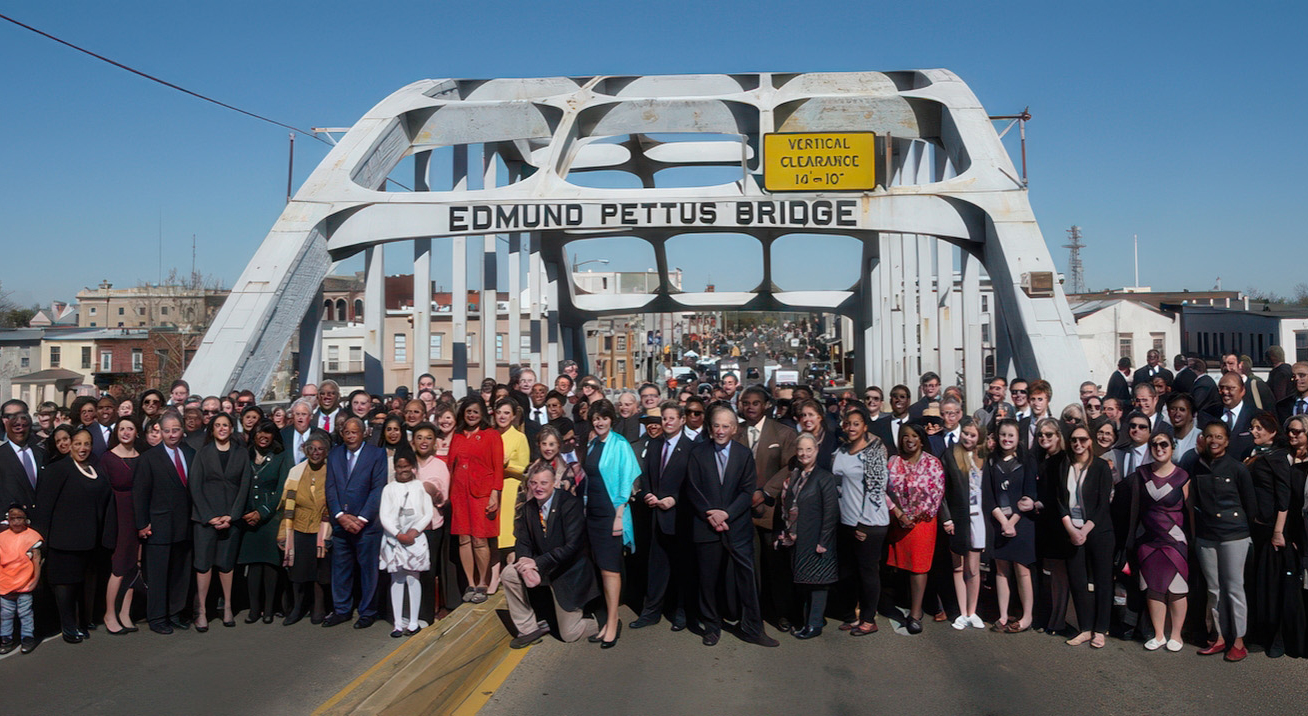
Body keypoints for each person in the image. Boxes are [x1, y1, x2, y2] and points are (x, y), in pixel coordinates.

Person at [686, 404, 778, 647]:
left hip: (737, 526)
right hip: (706, 527)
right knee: (708, 580)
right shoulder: (697, 452)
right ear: (710, 427)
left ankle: (752, 627)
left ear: (735, 429)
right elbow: (692, 489)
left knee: (747, 578)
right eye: (716, 425)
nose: (720, 431)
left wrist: (725, 514)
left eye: (726, 426)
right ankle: (712, 626)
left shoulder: (743, 454)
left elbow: (747, 490)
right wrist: (711, 515)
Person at [503, 462, 601, 649]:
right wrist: (524, 560)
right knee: (509, 574)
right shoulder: (528, 508)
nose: (538, 488)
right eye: (533, 483)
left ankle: (601, 622)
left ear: (554, 482)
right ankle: (529, 628)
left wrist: (536, 563)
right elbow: (522, 540)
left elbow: (571, 547)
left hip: (569, 574)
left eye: (543, 483)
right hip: (544, 568)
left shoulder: (570, 504)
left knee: (569, 634)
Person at [34, 427, 111, 643]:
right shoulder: (57, 469)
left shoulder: (95, 469)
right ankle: (68, 627)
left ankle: (81, 621)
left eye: (87, 444)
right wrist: (42, 543)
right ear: (70, 446)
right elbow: (44, 507)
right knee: (64, 587)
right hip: (63, 542)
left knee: (79, 585)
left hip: (88, 541)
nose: (83, 448)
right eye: (78, 444)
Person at [1190, 421, 1256, 661]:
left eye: (1219, 436)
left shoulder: (1238, 469)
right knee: (1214, 590)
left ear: (1227, 441)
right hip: (1207, 536)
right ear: (1203, 440)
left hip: (1234, 535)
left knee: (1234, 588)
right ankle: (1219, 637)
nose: (1214, 440)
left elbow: (1250, 505)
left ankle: (1238, 641)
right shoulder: (1197, 467)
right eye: (1209, 436)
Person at [581, 399, 640, 648]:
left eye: (604, 417)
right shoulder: (593, 443)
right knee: (600, 569)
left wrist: (618, 516)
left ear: (611, 420)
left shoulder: (620, 444)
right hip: (592, 513)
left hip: (610, 513)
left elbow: (626, 481)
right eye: (596, 418)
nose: (599, 422)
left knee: (610, 569)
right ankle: (607, 620)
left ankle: (613, 622)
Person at [1125, 429, 1190, 652]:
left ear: (1172, 448)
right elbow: (1134, 509)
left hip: (1175, 541)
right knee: (1153, 588)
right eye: (1155, 445)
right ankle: (1159, 634)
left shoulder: (1183, 476)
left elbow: (1190, 512)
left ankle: (1176, 635)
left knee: (1177, 589)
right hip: (1148, 541)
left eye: (1164, 445)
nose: (1159, 449)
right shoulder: (1141, 474)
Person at [828, 404, 890, 636]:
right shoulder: (841, 451)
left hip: (869, 524)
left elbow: (876, 490)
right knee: (848, 572)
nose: (851, 428)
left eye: (856, 424)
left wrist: (864, 524)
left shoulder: (873, 452)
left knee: (867, 572)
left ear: (865, 427)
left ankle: (868, 618)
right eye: (847, 424)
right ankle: (852, 616)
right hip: (845, 521)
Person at [630, 402, 693, 631]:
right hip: (654, 515)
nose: (666, 423)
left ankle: (680, 612)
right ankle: (651, 611)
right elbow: (645, 475)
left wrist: (674, 499)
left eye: (671, 418)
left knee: (679, 567)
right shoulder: (655, 445)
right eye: (664, 418)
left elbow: (692, 483)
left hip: (678, 517)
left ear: (682, 420)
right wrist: (647, 494)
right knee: (655, 567)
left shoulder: (690, 448)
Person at [323, 417, 388, 628]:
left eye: (354, 432)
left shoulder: (377, 454)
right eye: (347, 432)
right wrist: (340, 515)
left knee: (368, 571)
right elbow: (330, 488)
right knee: (341, 570)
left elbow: (378, 488)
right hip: (341, 523)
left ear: (363, 433)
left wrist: (361, 518)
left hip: (366, 525)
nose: (350, 436)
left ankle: (367, 611)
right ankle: (341, 610)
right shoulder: (334, 455)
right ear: (342, 434)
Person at [189, 413, 251, 630]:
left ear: (232, 429)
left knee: (226, 566)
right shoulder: (203, 454)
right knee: (203, 566)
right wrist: (209, 517)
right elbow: (195, 486)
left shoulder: (241, 454)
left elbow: (244, 487)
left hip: (230, 519)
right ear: (212, 429)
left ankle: (227, 609)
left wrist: (232, 516)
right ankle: (202, 612)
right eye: (218, 425)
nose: (222, 428)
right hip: (205, 520)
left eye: (226, 425)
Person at [774, 432, 838, 639]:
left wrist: (823, 541)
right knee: (804, 582)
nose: (804, 453)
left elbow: (831, 512)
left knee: (818, 583)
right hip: (797, 538)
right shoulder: (794, 476)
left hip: (817, 538)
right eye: (800, 449)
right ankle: (806, 620)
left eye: (808, 449)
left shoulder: (825, 477)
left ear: (817, 450)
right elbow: (786, 507)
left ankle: (814, 624)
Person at [1057, 424, 1115, 649]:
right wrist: (1072, 529)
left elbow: (1103, 505)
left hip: (1098, 530)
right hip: (1072, 530)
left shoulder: (1101, 466)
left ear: (1090, 441)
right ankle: (1085, 628)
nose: (1078, 444)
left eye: (1082, 439)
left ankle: (1100, 629)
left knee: (1102, 581)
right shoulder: (1065, 465)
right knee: (1078, 581)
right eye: (1074, 440)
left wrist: (1085, 530)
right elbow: (1060, 500)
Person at [885, 422, 946, 634]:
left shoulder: (933, 463)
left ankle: (916, 613)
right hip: (897, 519)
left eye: (913, 436)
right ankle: (897, 601)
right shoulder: (893, 461)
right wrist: (899, 514)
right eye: (905, 436)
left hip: (922, 523)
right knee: (900, 565)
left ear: (921, 439)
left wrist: (914, 516)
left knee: (918, 567)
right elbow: (883, 489)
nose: (909, 440)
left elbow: (937, 494)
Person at [443, 397, 504, 605]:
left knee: (480, 539)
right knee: (464, 539)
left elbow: (498, 467)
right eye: (468, 411)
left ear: (483, 414)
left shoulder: (492, 435)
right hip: (460, 493)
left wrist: (495, 493)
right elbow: (450, 464)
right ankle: (470, 582)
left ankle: (482, 582)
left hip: (482, 494)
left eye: (475, 412)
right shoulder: (458, 436)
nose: (471, 415)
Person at [1244, 411, 1295, 657]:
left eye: (1259, 428)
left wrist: (1278, 531)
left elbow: (1284, 496)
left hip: (1271, 532)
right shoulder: (1256, 454)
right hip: (1255, 530)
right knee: (1256, 585)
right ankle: (1257, 633)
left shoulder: (1278, 457)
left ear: (1272, 432)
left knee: (1272, 586)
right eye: (1252, 427)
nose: (1254, 431)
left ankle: (1275, 639)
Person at [983, 419, 1037, 633]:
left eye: (1011, 435)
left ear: (1018, 439)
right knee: (1001, 570)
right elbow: (988, 496)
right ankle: (1003, 614)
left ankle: (1027, 617)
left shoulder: (1027, 460)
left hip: (1021, 524)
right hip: (999, 523)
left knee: (1022, 571)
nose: (1006, 439)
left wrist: (1012, 522)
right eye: (1003, 435)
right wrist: (1003, 522)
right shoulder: (990, 461)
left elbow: (1029, 494)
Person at [277, 430, 333, 625]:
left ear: (326, 452)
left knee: (319, 571)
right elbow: (287, 505)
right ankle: (297, 607)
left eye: (320, 449)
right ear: (305, 450)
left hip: (322, 526)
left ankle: (319, 606)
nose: (316, 453)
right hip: (299, 525)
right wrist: (284, 531)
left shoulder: (331, 471)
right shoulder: (296, 471)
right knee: (297, 571)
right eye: (312, 449)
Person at [238, 420, 291, 624]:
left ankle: (269, 609)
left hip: (270, 517)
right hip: (248, 516)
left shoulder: (281, 456)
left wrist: (262, 512)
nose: (263, 436)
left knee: (270, 565)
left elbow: (281, 489)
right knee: (253, 565)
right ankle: (254, 609)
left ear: (273, 436)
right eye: (259, 432)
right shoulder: (246, 454)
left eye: (268, 433)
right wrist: (247, 512)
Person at [380, 447, 432, 638]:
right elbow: (384, 515)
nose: (402, 470)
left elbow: (427, 512)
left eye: (406, 467)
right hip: (394, 540)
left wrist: (414, 531)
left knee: (413, 578)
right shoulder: (389, 488)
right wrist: (397, 533)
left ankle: (412, 621)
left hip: (415, 539)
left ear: (412, 468)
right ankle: (397, 622)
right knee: (397, 579)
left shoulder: (420, 487)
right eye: (399, 467)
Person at [100, 416, 143, 634]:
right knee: (119, 565)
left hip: (138, 513)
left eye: (130, 428)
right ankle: (109, 613)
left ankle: (125, 613)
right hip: (117, 514)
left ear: (137, 432)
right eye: (122, 428)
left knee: (133, 565)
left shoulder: (141, 457)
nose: (126, 432)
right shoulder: (108, 458)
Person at [412, 422, 456, 624]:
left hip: (431, 526)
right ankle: (408, 613)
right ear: (413, 442)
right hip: (407, 526)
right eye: (419, 437)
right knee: (409, 570)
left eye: (428, 438)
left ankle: (426, 614)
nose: (423, 441)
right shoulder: (408, 463)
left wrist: (428, 490)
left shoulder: (439, 465)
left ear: (435, 443)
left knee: (428, 571)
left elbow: (443, 497)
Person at [1272, 414, 1308, 658]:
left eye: (1298, 431)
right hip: (1292, 533)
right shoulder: (1283, 459)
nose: (1293, 435)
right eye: (1290, 431)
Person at [945, 418, 986, 630]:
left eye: (972, 434)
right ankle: (961, 612)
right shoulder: (951, 454)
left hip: (978, 517)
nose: (967, 438)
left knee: (973, 568)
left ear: (979, 436)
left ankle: (972, 611)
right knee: (958, 567)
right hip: (958, 517)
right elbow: (943, 490)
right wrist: (947, 518)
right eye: (965, 433)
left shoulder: (983, 456)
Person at [1033, 417, 1073, 636]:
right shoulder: (1039, 458)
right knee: (1047, 574)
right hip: (1041, 523)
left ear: (1059, 436)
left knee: (1059, 573)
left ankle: (1059, 619)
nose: (1044, 438)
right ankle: (1048, 616)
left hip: (1059, 523)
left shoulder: (1064, 459)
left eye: (1049, 435)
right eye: (1041, 435)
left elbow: (1062, 494)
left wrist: (1042, 504)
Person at [492, 398, 530, 594]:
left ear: (513, 416)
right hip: (493, 489)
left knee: (509, 533)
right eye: (499, 413)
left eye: (507, 413)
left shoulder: (519, 437)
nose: (502, 417)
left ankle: (512, 576)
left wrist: (504, 466)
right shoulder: (491, 435)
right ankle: (494, 577)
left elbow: (524, 467)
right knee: (494, 532)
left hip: (511, 488)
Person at [0, 504, 42, 654]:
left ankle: (27, 638)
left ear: (26, 520)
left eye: (20, 518)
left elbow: (36, 561)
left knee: (25, 613)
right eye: (13, 519)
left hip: (25, 584)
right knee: (6, 614)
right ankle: (6, 639)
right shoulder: (2, 538)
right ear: (8, 520)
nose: (16, 522)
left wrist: (35, 581)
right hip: (5, 583)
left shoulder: (32, 537)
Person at [0, 401, 44, 514]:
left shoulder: (41, 452)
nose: (17, 420)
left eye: (21, 416)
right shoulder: (2, 455)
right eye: (9, 416)